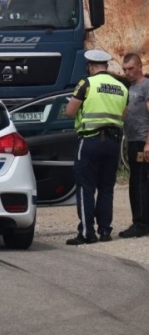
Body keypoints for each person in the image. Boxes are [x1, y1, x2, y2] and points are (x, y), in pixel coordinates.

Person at [64, 49, 128, 245]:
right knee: (107, 187)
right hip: (112, 143)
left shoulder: (87, 83)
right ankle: (105, 231)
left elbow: (69, 111)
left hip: (90, 140)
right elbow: (123, 117)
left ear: (91, 66)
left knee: (85, 186)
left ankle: (86, 232)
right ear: (106, 66)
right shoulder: (121, 87)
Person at [119, 53, 149, 238]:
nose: (127, 72)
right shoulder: (129, 88)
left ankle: (140, 223)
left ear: (140, 67)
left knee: (139, 183)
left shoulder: (146, 85)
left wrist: (148, 142)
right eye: (124, 70)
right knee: (138, 180)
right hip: (132, 139)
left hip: (142, 140)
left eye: (130, 69)